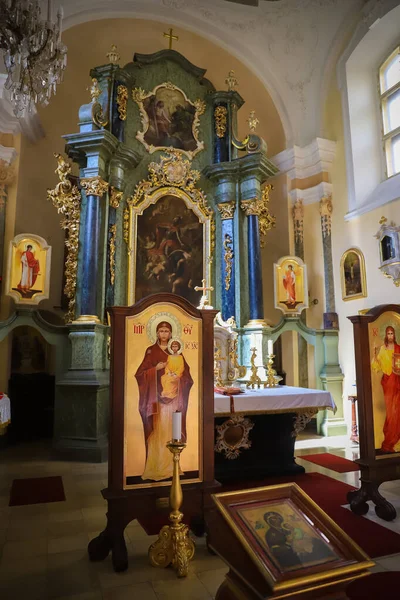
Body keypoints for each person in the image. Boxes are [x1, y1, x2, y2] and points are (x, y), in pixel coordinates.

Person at [135, 321, 193, 481]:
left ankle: (172, 467)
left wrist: (177, 379)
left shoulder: (176, 351)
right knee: (156, 430)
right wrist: (156, 370)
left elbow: (188, 377)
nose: (164, 334)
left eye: (167, 331)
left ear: (171, 333)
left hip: (173, 400)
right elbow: (140, 374)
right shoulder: (151, 351)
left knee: (171, 430)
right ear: (156, 333)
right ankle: (155, 468)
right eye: (161, 331)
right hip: (155, 401)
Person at [371, 325, 400, 453]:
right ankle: (389, 439)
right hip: (388, 383)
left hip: (398, 383)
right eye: (388, 333)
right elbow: (376, 366)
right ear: (386, 335)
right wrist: (374, 354)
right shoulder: (382, 349)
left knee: (398, 410)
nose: (390, 336)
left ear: (394, 335)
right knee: (391, 412)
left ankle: (396, 440)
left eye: (392, 333)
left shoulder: (399, 349)